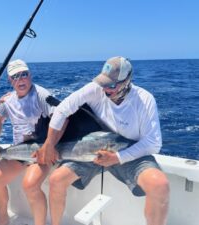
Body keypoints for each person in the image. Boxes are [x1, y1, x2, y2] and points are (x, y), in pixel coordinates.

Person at [37, 56, 170, 225]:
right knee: (56, 180)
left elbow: (153, 143)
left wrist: (118, 158)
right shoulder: (96, 89)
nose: (106, 89)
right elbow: (62, 110)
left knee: (160, 185)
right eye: (103, 83)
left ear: (127, 81)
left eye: (112, 85)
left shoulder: (144, 100)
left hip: (129, 152)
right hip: (93, 151)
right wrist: (49, 144)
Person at [0, 59, 55, 225]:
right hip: (20, 152)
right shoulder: (8, 101)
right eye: (15, 76)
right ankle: (3, 218)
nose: (20, 79)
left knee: (30, 185)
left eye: (24, 74)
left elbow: (61, 118)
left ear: (30, 76)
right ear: (10, 80)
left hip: (41, 151)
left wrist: (49, 146)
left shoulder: (41, 95)